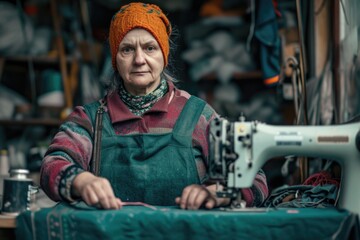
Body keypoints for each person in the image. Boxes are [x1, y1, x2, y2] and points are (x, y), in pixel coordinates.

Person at [40, 2, 268, 210]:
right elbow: (53, 164)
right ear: (115, 60)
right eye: (127, 49)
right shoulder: (91, 119)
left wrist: (220, 193)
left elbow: (255, 178)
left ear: (164, 56)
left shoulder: (200, 116)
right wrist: (81, 181)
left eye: (150, 48)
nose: (139, 59)